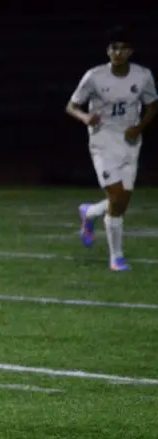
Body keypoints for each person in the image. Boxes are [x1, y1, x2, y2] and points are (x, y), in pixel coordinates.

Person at [68, 26, 157, 271]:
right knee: (116, 196)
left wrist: (139, 128)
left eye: (123, 48)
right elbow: (72, 105)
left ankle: (91, 212)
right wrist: (85, 118)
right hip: (103, 140)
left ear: (130, 51)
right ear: (108, 51)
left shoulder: (143, 76)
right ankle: (116, 258)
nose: (118, 52)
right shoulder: (94, 76)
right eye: (113, 48)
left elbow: (152, 105)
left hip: (130, 142)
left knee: (122, 202)